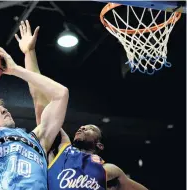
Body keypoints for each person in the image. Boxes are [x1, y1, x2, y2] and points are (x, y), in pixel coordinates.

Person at [16, 20, 148, 190]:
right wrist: (29, 52)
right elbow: (39, 99)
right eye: (83, 127)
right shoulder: (60, 148)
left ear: (99, 145)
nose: (83, 127)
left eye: (91, 128)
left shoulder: (109, 171)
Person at [0, 43, 69, 190]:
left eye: (4, 109)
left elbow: (61, 94)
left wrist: (15, 69)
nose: (4, 111)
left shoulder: (37, 139)